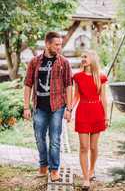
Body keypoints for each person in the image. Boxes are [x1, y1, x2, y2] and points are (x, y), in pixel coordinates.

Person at [23, 31, 72, 181]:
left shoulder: (64, 62)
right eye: (56, 44)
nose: (59, 47)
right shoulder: (34, 62)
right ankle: (43, 164)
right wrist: (26, 107)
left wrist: (69, 109)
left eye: (60, 44)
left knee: (55, 139)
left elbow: (69, 86)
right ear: (48, 44)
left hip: (57, 106)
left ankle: (54, 169)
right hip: (39, 107)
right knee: (39, 137)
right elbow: (27, 85)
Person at [72, 50, 109, 190]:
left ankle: (92, 169)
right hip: (82, 111)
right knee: (83, 147)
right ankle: (86, 179)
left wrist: (106, 117)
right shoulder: (77, 77)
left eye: (85, 57)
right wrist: (69, 109)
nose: (83, 59)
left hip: (96, 112)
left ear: (92, 59)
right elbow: (76, 97)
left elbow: (103, 98)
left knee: (93, 147)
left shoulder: (101, 77)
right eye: (82, 57)